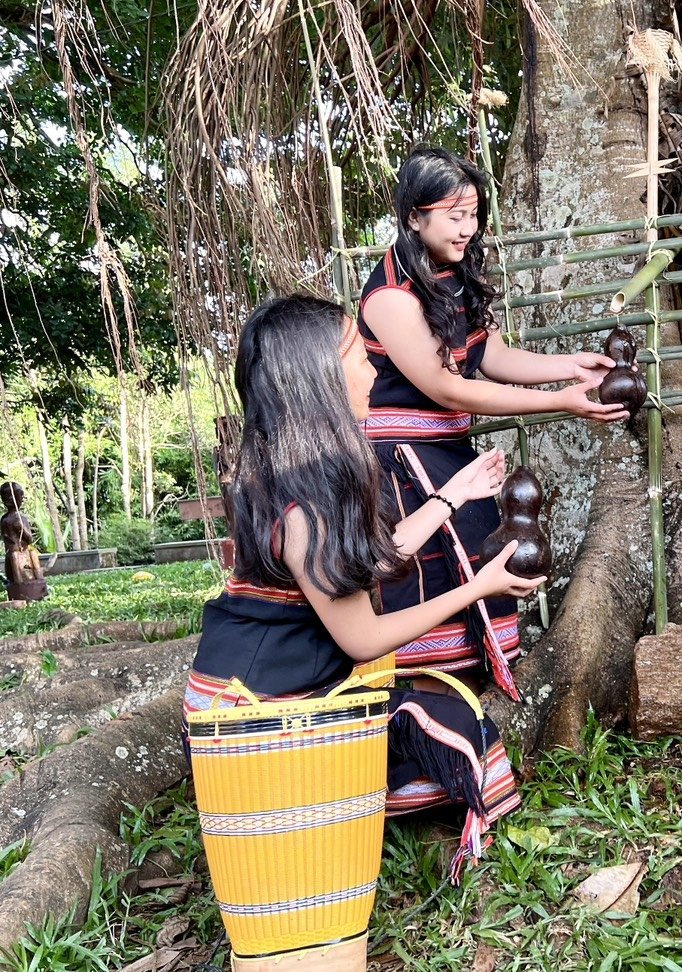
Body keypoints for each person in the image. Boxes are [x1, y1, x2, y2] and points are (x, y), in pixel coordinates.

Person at [184, 294, 544, 873]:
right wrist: (478, 587)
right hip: (256, 719)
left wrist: (452, 495)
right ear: (318, 378)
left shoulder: (282, 468)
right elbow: (364, 639)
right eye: (357, 354)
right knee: (458, 733)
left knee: (442, 717)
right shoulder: (308, 501)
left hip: (226, 699)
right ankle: (298, 803)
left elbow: (361, 565)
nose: (373, 368)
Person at [358, 146, 627, 684]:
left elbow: (493, 357)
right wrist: (561, 403)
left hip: (450, 452)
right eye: (455, 216)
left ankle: (478, 692)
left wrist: (570, 368)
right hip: (400, 460)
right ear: (415, 215)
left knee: (481, 555)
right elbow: (449, 389)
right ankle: (422, 699)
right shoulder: (390, 295)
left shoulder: (453, 274)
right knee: (423, 576)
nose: (467, 228)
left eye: (474, 215)